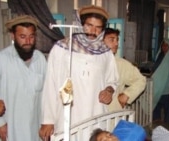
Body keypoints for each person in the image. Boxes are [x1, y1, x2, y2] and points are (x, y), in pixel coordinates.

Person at [39, 5, 119, 140]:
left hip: (95, 115)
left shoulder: (105, 53)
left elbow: (113, 81)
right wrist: (48, 119)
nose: (93, 31)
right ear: (80, 24)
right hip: (67, 115)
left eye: (98, 27)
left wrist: (109, 91)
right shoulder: (62, 49)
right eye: (89, 25)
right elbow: (50, 85)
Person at [0, 15, 47, 141]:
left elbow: (47, 93)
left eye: (31, 36)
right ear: (13, 36)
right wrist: (0, 123)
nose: (28, 41)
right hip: (10, 128)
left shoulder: (40, 59)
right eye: (23, 37)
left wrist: (47, 121)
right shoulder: (2, 59)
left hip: (35, 128)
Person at [103, 28, 146, 111]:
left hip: (112, 112)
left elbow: (141, 80)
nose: (116, 43)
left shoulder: (121, 64)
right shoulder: (90, 63)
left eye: (117, 40)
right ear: (100, 41)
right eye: (112, 39)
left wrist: (126, 95)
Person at [152, 39, 169, 129]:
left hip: (168, 89)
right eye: (163, 45)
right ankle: (156, 127)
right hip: (159, 87)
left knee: (168, 112)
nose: (164, 47)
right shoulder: (160, 56)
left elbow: (163, 72)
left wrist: (154, 77)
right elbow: (156, 70)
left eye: (167, 45)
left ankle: (167, 129)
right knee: (155, 106)